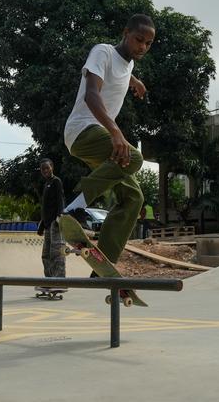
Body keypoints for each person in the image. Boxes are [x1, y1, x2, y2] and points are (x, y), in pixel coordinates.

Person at [62, 14, 155, 272]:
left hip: (99, 140)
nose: (142, 47)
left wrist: (135, 82)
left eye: (148, 44)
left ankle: (102, 266)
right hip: (83, 131)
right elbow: (92, 95)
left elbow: (122, 73)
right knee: (135, 158)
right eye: (138, 40)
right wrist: (115, 131)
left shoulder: (128, 66)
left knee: (134, 198)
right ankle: (75, 207)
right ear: (125, 32)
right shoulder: (102, 52)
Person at [37, 158, 66, 278]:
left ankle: (59, 280)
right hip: (48, 224)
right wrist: (42, 225)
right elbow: (46, 207)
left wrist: (59, 218)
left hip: (55, 223)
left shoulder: (56, 181)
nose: (45, 170)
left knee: (57, 253)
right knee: (46, 255)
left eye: (47, 168)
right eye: (43, 169)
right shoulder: (46, 184)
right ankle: (49, 279)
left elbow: (60, 201)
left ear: (52, 167)